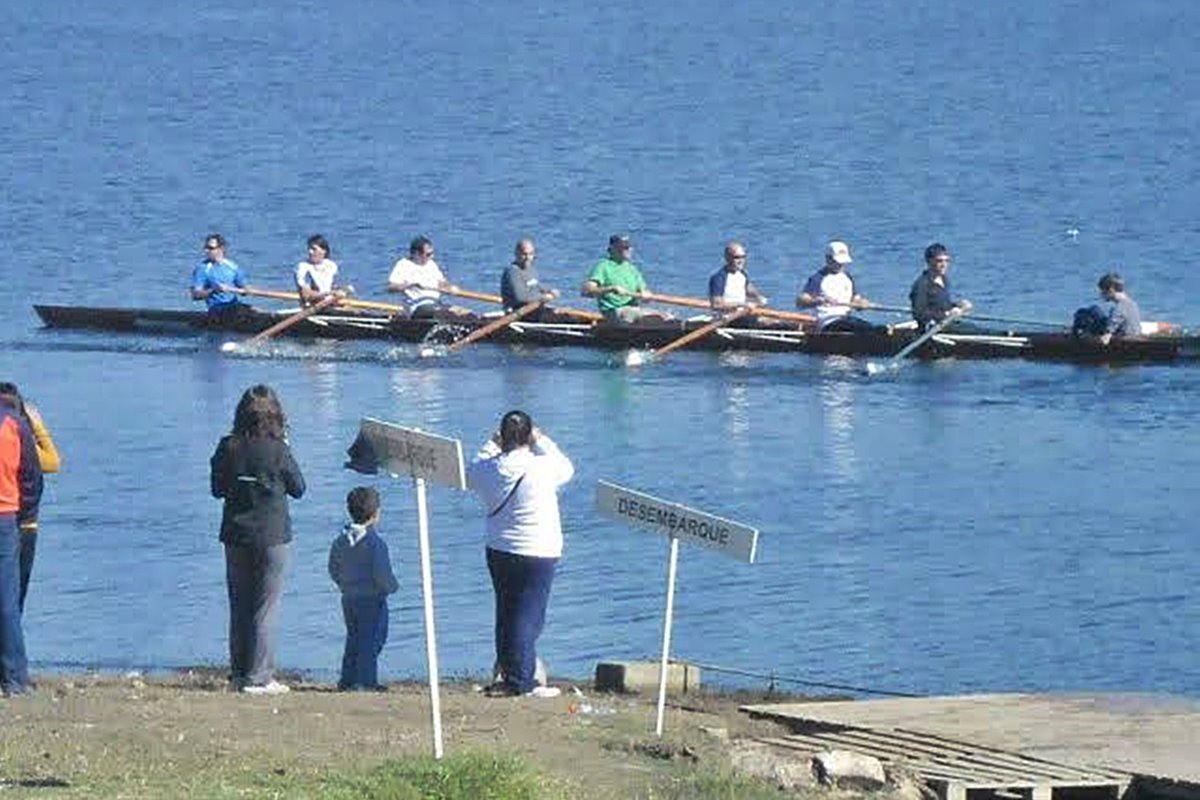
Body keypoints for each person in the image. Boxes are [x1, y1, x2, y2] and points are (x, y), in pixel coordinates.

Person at [466, 410, 574, 699]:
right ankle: (522, 680)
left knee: (506, 612)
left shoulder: (489, 469)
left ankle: (508, 672)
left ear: (502, 437)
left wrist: (491, 444)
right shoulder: (543, 467)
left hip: (500, 548)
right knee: (529, 616)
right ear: (528, 436)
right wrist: (542, 439)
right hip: (539, 550)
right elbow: (567, 468)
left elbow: (472, 468)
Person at [210, 385, 305, 695]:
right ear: (276, 416)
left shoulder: (229, 446)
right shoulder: (279, 450)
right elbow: (299, 488)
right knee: (265, 607)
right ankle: (260, 676)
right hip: (272, 535)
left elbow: (218, 488)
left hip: (236, 532)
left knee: (239, 604)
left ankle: (239, 672)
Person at [328, 486, 398, 692]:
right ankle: (365, 680)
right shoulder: (375, 543)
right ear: (376, 514)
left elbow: (333, 567)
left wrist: (343, 584)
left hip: (349, 597)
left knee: (354, 638)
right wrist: (391, 587)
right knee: (372, 639)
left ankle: (348, 678)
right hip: (372, 598)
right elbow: (382, 573)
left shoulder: (341, 540)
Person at [0, 384, 59, 613]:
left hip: (14, 523)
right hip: (25, 526)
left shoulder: (12, 438)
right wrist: (38, 426)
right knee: (14, 598)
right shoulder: (24, 441)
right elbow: (53, 462)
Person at [0, 389, 42, 696]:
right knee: (7, 600)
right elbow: (32, 475)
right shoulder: (15, 424)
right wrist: (24, 510)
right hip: (7, 514)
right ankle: (14, 677)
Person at [580, 234, 671, 323]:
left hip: (633, 310)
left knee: (666, 317)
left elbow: (644, 293)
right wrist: (610, 289)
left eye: (628, 247)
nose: (627, 250)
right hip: (615, 311)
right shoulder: (603, 266)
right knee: (650, 317)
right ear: (611, 250)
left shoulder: (632, 269)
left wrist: (646, 296)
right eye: (623, 248)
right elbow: (586, 292)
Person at [796, 241, 877, 332]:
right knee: (862, 328)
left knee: (872, 328)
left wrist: (862, 303)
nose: (840, 265)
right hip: (828, 323)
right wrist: (818, 301)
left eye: (842, 262)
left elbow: (855, 299)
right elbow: (800, 301)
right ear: (828, 259)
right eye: (837, 262)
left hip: (846, 319)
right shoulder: (818, 279)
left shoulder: (848, 277)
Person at [386, 236, 465, 318]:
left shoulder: (431, 264)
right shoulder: (403, 265)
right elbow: (391, 288)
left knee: (466, 314)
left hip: (436, 304)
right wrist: (410, 285)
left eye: (432, 253)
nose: (432, 257)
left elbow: (442, 283)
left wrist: (450, 288)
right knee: (444, 314)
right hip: (417, 307)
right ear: (416, 254)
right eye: (428, 254)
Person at [909, 242, 972, 331]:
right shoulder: (922, 285)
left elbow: (940, 305)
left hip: (947, 324)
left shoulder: (944, 279)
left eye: (947, 261)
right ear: (929, 261)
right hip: (932, 329)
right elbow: (919, 314)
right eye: (939, 261)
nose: (944, 265)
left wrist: (958, 305)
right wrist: (946, 314)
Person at [501, 238, 560, 321]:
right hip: (519, 314)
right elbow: (521, 297)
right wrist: (543, 297)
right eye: (524, 254)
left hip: (534, 311)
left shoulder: (531, 269)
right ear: (517, 254)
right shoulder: (512, 272)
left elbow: (536, 286)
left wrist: (550, 290)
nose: (527, 258)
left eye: (530, 254)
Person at [191, 234, 248, 316]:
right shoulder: (203, 269)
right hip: (217, 310)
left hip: (235, 306)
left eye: (210, 248)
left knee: (258, 312)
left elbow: (244, 291)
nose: (206, 251)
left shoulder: (233, 267)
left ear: (221, 249)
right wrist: (214, 290)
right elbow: (195, 295)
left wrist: (244, 290)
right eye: (206, 247)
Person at [709, 241, 767, 310]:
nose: (741, 261)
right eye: (737, 257)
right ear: (727, 258)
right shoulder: (718, 278)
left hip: (742, 314)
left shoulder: (742, 273)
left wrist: (758, 297)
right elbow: (716, 304)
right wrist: (741, 304)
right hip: (726, 317)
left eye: (743, 257)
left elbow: (748, 288)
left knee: (772, 320)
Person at [295, 234, 349, 306]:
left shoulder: (331, 266)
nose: (310, 252)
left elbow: (335, 286)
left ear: (324, 251)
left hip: (331, 304)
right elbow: (306, 295)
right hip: (313, 306)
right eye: (309, 249)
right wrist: (329, 294)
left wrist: (344, 290)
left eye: (314, 249)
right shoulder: (303, 268)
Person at [1092, 272, 1143, 345]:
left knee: (1092, 311)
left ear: (1111, 290)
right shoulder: (1133, 304)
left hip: (1126, 341)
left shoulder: (1119, 308)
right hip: (1133, 336)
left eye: (1103, 291)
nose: (1101, 294)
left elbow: (1106, 338)